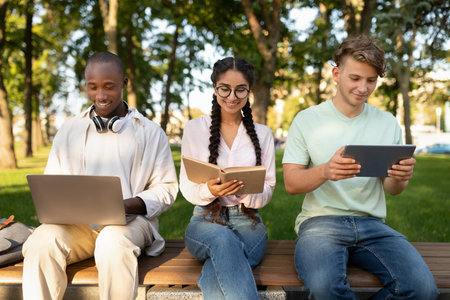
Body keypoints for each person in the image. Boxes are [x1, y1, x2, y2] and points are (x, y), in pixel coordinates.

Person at [282, 36, 439, 299]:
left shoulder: (387, 123)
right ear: (336, 74)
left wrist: (400, 177)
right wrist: (325, 171)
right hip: (321, 223)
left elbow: (393, 190)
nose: (363, 88)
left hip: (372, 225)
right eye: (355, 78)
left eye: (371, 80)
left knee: (422, 289)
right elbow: (291, 184)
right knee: (324, 289)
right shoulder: (306, 120)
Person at [22, 51, 178, 300]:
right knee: (42, 241)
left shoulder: (150, 132)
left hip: (131, 223)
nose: (101, 95)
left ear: (124, 84)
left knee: (112, 243)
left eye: (109, 87)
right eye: (92, 87)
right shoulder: (69, 130)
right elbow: (53, 182)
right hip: (78, 227)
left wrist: (127, 204)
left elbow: (167, 188)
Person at [179, 57, 276, 299]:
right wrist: (210, 191)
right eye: (225, 88)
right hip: (204, 222)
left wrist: (244, 192)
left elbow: (269, 188)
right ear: (214, 88)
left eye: (240, 89)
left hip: (248, 222)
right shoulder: (194, 128)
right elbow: (186, 187)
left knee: (213, 278)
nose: (232, 96)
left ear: (249, 91)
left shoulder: (263, 134)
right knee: (223, 239)